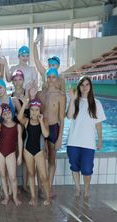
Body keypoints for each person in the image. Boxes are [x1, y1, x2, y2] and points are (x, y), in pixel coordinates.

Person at [66, 76, 106, 199]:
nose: (84, 87)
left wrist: (99, 140)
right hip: (73, 141)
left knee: (87, 169)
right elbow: (69, 116)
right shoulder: (74, 100)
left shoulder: (96, 103)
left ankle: (86, 190)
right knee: (74, 167)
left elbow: (98, 124)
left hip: (88, 143)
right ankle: (78, 188)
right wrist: (72, 99)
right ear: (79, 87)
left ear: (90, 87)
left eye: (87, 85)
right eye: (82, 85)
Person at [16, 98, 51, 207]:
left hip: (39, 151)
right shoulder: (26, 121)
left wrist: (40, 121)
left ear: (40, 111)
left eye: (36, 110)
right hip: (27, 151)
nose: (34, 112)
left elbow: (46, 135)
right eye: (32, 110)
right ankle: (32, 196)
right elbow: (19, 117)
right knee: (31, 174)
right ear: (29, 111)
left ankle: (48, 197)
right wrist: (25, 104)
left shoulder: (44, 121)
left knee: (44, 176)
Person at [37, 68, 65, 197]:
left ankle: (49, 186)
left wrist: (60, 138)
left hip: (54, 129)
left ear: (57, 79)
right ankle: (40, 187)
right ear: (46, 78)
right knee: (40, 158)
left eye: (54, 77)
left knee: (52, 160)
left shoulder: (60, 96)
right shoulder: (40, 94)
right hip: (42, 129)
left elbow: (61, 119)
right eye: (49, 77)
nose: (51, 79)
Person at [0, 103, 23, 206]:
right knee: (3, 176)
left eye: (8, 113)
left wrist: (19, 156)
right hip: (0, 152)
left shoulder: (17, 126)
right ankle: (6, 197)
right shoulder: (1, 125)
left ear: (12, 113)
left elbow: (20, 141)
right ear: (2, 116)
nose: (7, 115)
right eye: (4, 114)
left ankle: (14, 197)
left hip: (11, 153)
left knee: (13, 177)